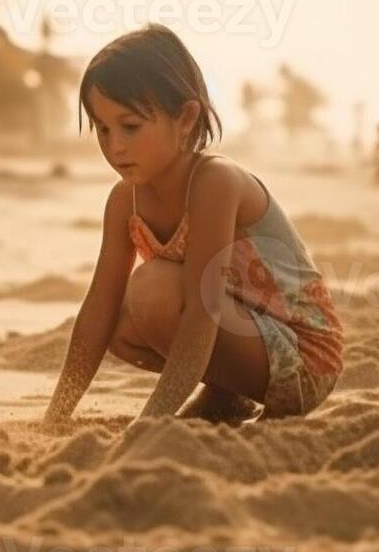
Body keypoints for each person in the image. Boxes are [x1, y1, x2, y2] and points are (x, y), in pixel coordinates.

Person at [43, 25, 345, 426]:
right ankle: (227, 397)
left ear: (185, 119)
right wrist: (55, 417)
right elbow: (98, 306)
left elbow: (203, 310)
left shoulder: (215, 182)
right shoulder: (123, 201)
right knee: (116, 323)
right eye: (103, 128)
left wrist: (150, 422)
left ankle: (227, 391)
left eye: (130, 126)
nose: (114, 146)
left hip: (304, 356)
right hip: (246, 339)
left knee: (152, 289)